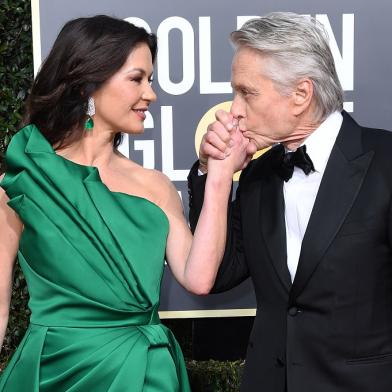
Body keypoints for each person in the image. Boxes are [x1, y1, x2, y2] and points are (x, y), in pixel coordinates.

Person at [0, 15, 248, 391]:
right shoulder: (24, 180)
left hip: (145, 374)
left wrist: (217, 177)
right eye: (137, 79)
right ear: (88, 82)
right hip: (54, 372)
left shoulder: (155, 187)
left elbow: (198, 279)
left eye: (150, 80)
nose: (150, 93)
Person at [188, 12, 392, 392]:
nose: (233, 109)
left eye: (246, 92)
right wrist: (209, 172)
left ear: (301, 94)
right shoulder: (256, 175)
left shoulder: (385, 163)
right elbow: (215, 275)